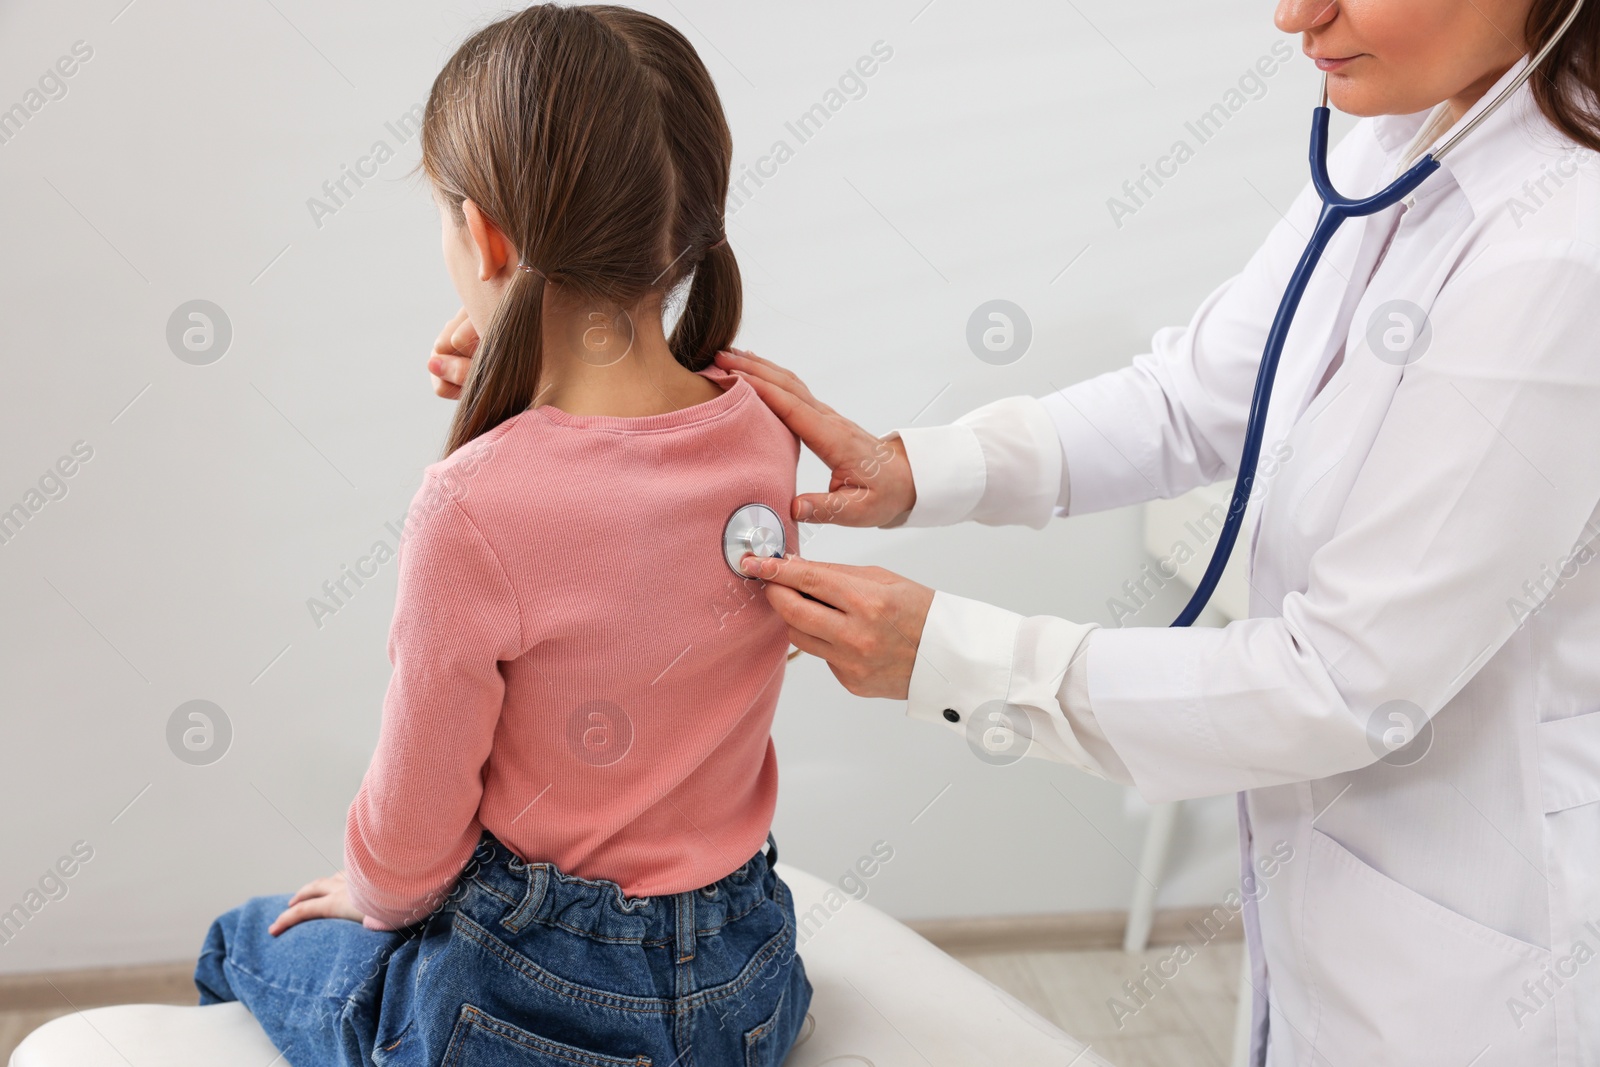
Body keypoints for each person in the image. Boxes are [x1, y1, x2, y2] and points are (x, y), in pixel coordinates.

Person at [429, 0, 1600, 1063]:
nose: (1295, 13)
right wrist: (910, 469)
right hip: (1313, 901)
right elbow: (1195, 396)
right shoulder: (1403, 125)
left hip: (1485, 942)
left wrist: (943, 655)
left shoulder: (1559, 254)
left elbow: (1341, 682)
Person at [194, 7, 811, 1066]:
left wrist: (377, 891)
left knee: (240, 941)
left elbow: (415, 838)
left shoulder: (473, 504)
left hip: (537, 1002)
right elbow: (627, 495)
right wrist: (528, 342)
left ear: (484, 235)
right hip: (748, 979)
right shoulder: (762, 425)